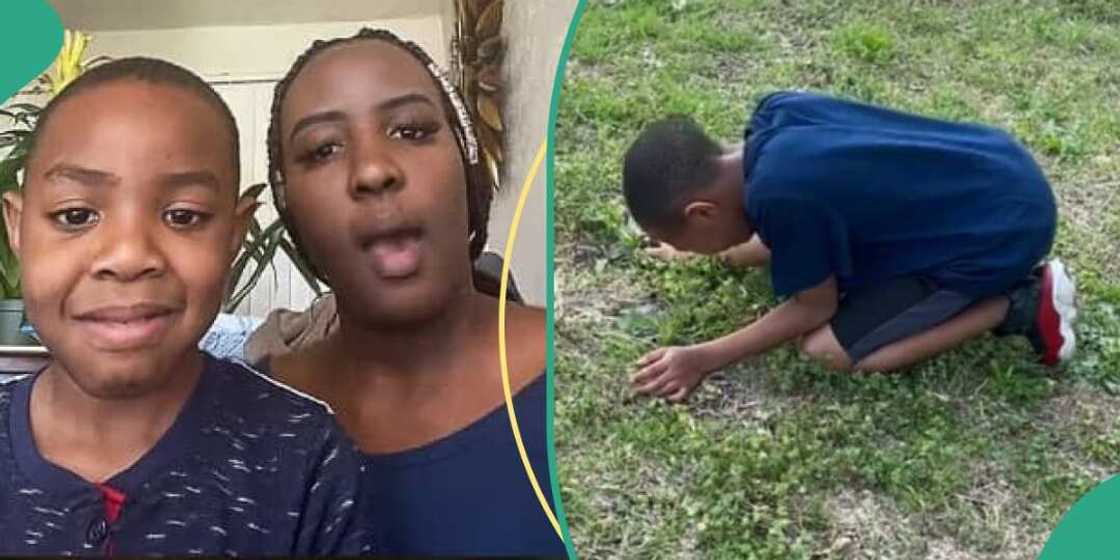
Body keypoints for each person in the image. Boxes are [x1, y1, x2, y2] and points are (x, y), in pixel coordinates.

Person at [0, 57, 374, 555]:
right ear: (17, 228)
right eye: (76, 215)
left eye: (183, 216)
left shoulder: (303, 458)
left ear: (234, 237)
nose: (129, 256)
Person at [256, 28, 565, 557]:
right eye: (323, 149)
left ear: (466, 159)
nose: (373, 171)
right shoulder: (247, 423)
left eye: (411, 130)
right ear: (288, 202)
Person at [625, 91, 1077, 402]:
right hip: (998, 165)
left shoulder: (783, 198)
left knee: (825, 352)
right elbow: (782, 229)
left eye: (686, 240)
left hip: (998, 237)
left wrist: (702, 357)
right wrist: (706, 251)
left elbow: (813, 307)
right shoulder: (774, 117)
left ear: (702, 212)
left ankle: (1017, 302)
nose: (694, 251)